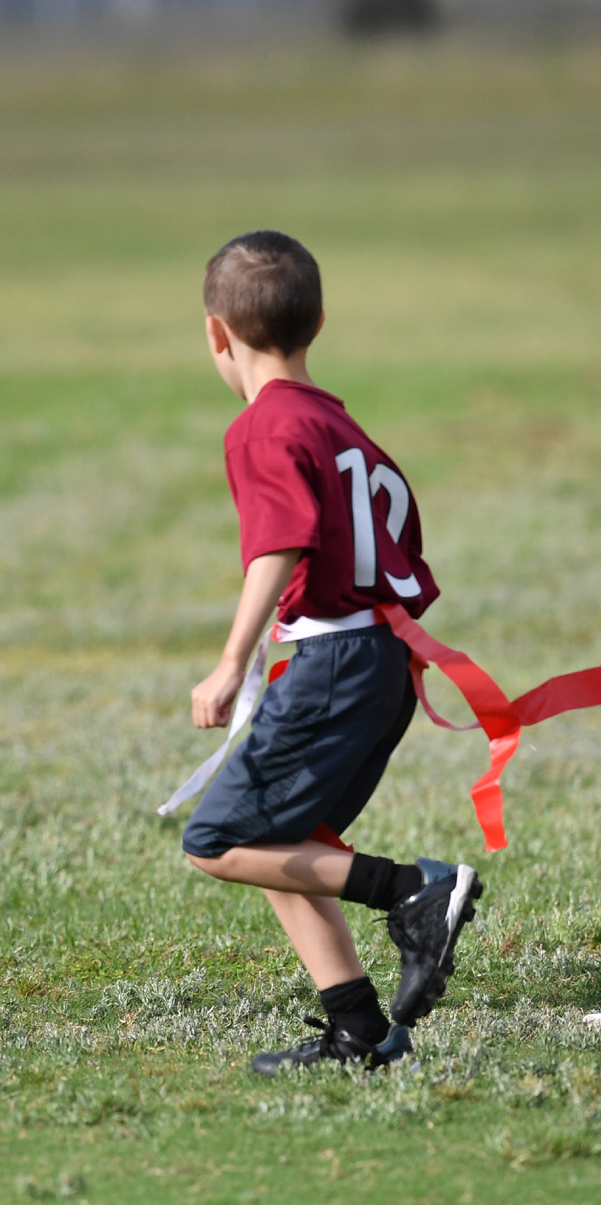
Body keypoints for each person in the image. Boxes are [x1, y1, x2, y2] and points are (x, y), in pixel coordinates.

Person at [181, 230, 483, 1074]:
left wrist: (231, 660)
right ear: (317, 322)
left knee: (216, 842)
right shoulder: (340, 426)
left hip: (334, 664)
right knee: (286, 841)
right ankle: (361, 1033)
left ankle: (413, 890)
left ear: (217, 334)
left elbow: (279, 541)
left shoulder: (263, 427)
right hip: (379, 662)